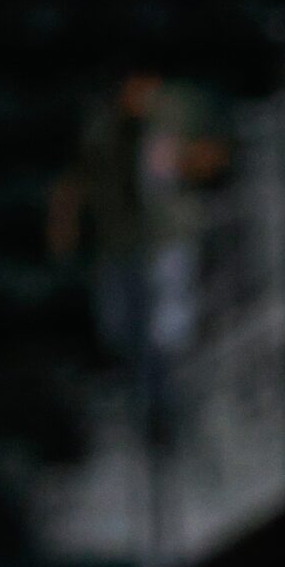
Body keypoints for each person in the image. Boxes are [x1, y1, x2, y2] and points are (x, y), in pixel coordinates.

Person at [51, 65, 232, 439]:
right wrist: (64, 223)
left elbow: (215, 157)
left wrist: (184, 161)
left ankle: (169, 413)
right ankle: (142, 404)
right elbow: (77, 177)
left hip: (168, 239)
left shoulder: (179, 109)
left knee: (168, 330)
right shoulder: (102, 123)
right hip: (117, 243)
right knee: (120, 329)